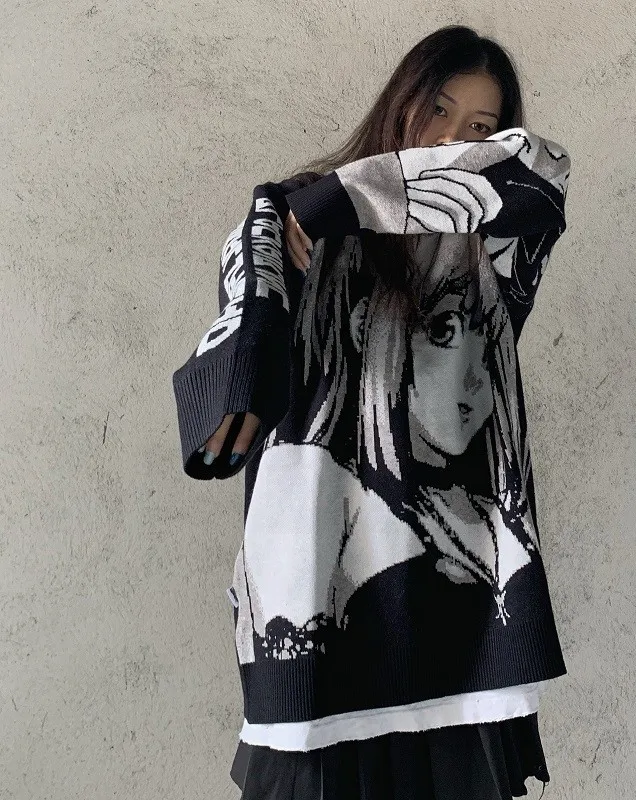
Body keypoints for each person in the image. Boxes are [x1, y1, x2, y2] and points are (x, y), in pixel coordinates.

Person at [172, 24, 571, 800]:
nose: (451, 140)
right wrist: (244, 374)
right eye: (437, 110)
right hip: (316, 597)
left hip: (461, 622)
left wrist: (336, 199)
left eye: (479, 127)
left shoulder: (490, 238)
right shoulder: (286, 219)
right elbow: (243, 328)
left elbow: (542, 174)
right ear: (401, 101)